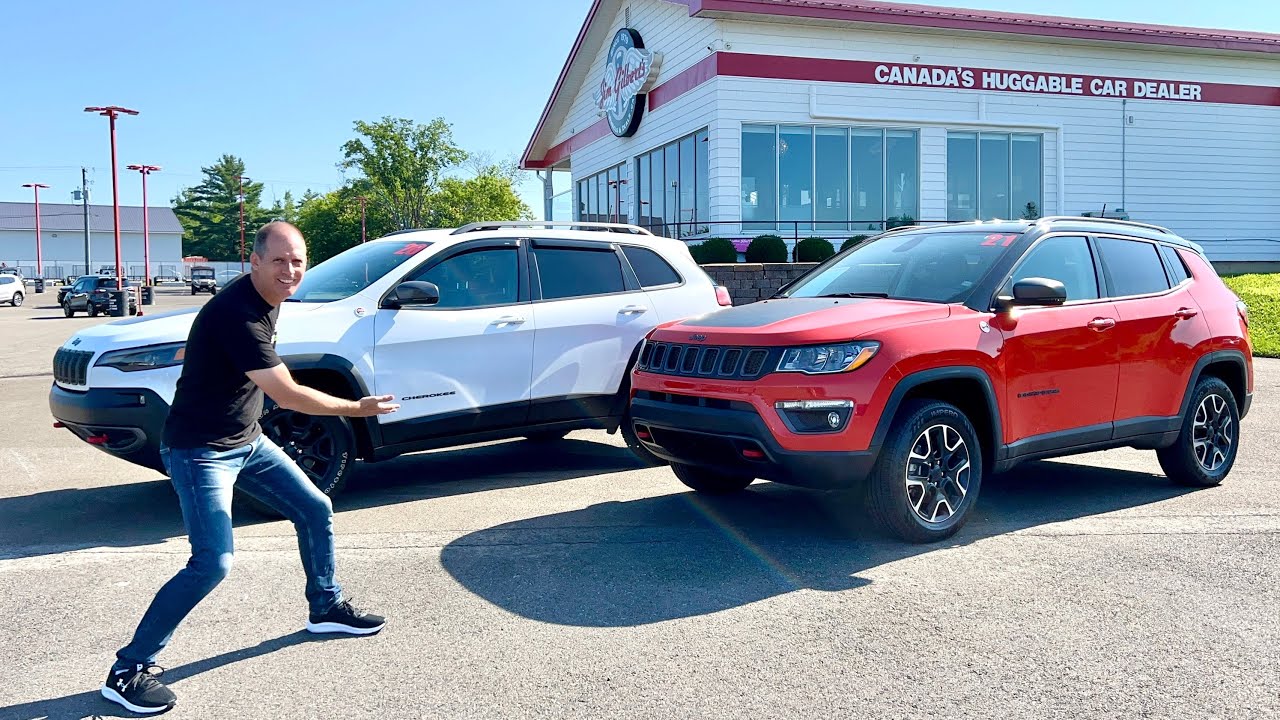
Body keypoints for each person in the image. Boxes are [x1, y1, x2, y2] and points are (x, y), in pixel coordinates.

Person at [101, 221, 399, 714]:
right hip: (200, 451)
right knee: (212, 562)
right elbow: (286, 393)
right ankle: (128, 669)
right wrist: (357, 409)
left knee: (314, 508)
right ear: (255, 261)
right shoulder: (236, 314)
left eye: (298, 260)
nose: (290, 270)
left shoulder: (266, 299)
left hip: (248, 440)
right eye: (279, 260)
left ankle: (325, 606)